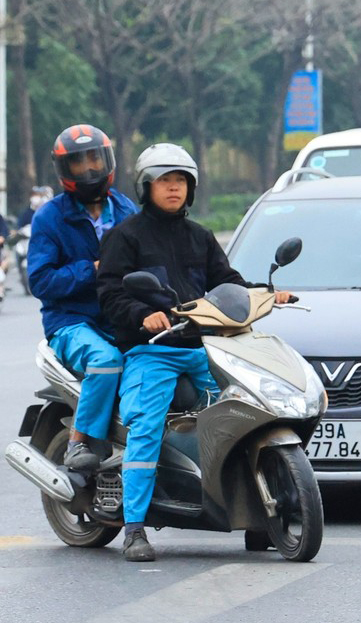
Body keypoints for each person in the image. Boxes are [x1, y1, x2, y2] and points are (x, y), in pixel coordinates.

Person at [97, 143, 291, 562]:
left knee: (246, 412)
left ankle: (259, 516)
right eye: (165, 181)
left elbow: (228, 282)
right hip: (153, 352)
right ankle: (134, 528)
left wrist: (267, 293)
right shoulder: (124, 236)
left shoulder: (200, 236)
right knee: (146, 427)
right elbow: (111, 294)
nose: (174, 188)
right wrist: (143, 314)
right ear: (146, 186)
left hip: (205, 348)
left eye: (181, 181)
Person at [27, 125, 138, 470]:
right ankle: (78, 443)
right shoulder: (50, 217)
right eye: (79, 163)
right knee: (105, 361)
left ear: (108, 160)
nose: (90, 170)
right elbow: (41, 281)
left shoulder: (126, 211)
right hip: (71, 323)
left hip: (119, 317)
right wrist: (92, 269)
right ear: (65, 170)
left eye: (95, 159)